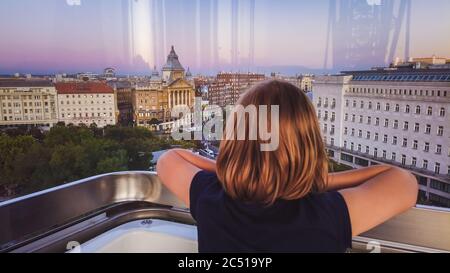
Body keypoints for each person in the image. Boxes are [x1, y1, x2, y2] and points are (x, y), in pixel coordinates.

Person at [157, 80, 418, 253]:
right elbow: (404, 181)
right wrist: (314, 181)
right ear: (309, 143)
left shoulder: (211, 198)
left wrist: (237, 171)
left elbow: (170, 159)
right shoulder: (326, 214)